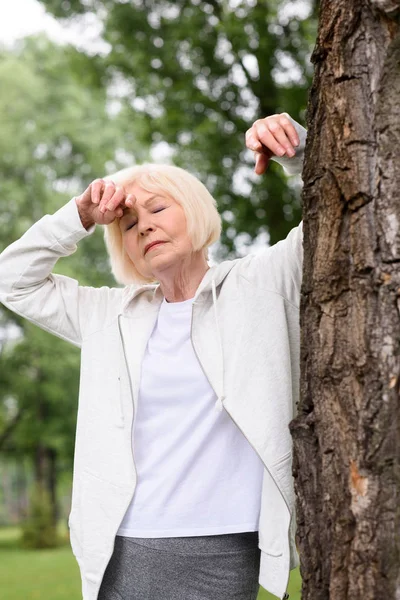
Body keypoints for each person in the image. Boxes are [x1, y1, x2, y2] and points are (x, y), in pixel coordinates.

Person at [0, 112, 307, 600]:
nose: (144, 227)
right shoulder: (111, 314)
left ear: (194, 211)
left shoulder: (261, 284)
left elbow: (336, 223)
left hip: (227, 547)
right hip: (124, 548)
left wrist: (299, 154)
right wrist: (79, 216)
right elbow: (11, 280)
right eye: (128, 223)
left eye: (159, 209)